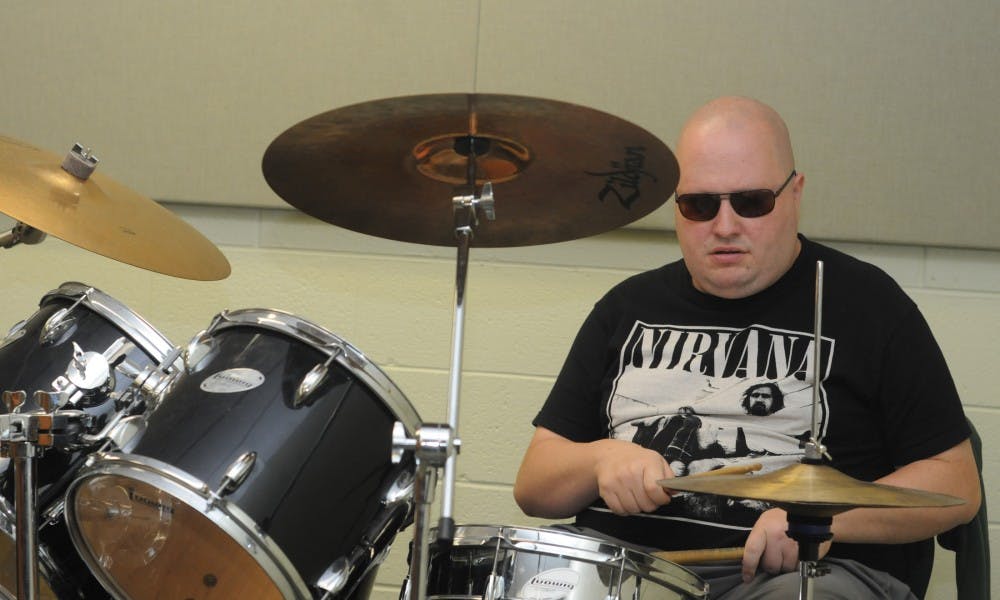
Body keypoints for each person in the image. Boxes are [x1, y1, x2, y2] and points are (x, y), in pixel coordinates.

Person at [513, 96, 981, 599]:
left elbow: (955, 487)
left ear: (795, 192)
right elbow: (534, 487)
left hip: (797, 578)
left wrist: (821, 522)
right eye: (700, 204)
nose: (725, 225)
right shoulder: (626, 306)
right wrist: (600, 460)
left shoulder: (869, 304)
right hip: (626, 571)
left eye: (751, 202)